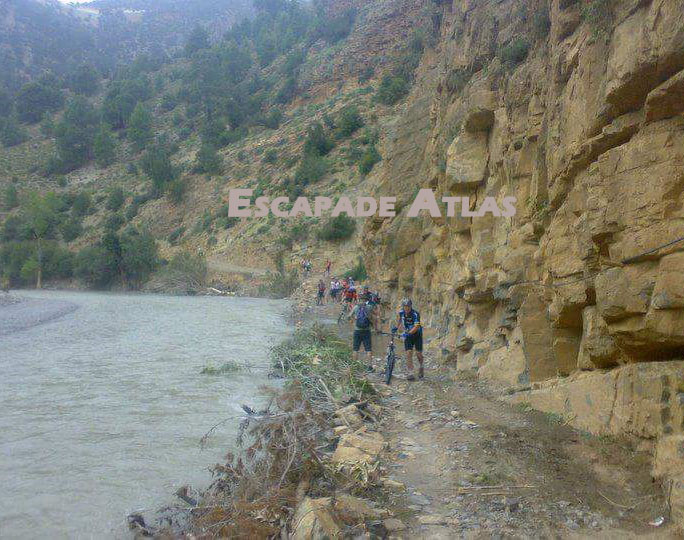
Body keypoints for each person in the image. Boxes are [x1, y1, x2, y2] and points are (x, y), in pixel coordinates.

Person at [395, 298, 424, 381]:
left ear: (411, 306)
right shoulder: (401, 313)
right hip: (408, 335)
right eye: (405, 306)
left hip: (417, 335)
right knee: (408, 353)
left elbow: (416, 326)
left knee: (418, 353)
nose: (406, 308)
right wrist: (396, 328)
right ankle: (410, 372)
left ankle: (421, 366)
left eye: (408, 306)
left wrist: (408, 333)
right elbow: (399, 320)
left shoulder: (415, 314)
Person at [349, 296, 379, 367]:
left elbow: (349, 316)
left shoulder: (356, 307)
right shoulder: (369, 307)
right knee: (368, 349)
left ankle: (354, 366)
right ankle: (369, 366)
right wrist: (375, 328)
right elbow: (375, 316)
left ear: (359, 300)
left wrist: (353, 320)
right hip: (367, 331)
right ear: (366, 300)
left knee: (355, 349)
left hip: (357, 331)